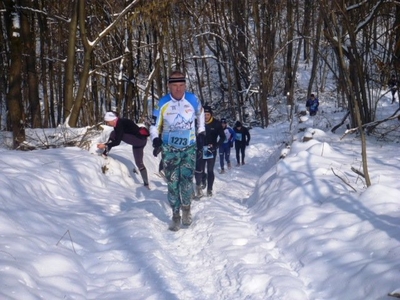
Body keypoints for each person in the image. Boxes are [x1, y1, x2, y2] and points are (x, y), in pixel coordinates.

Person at [150, 70, 205, 231]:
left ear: (185, 85)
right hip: (170, 149)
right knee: (173, 183)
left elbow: (200, 116)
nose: (178, 89)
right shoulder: (162, 103)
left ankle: (186, 208)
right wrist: (155, 139)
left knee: (187, 181)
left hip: (189, 148)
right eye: (175, 86)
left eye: (181, 85)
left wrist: (201, 133)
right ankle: (175, 215)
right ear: (169, 86)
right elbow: (154, 125)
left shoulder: (193, 99)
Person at [97, 111, 150, 188]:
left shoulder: (120, 124)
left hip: (139, 140)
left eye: (108, 122)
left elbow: (117, 141)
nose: (107, 124)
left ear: (112, 120)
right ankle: (146, 184)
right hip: (140, 141)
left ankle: (105, 152)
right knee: (139, 163)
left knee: (114, 134)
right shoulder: (120, 122)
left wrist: (105, 145)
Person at [194, 105, 225, 198]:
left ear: (211, 115)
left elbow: (223, 137)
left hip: (210, 149)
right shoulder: (197, 123)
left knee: (210, 170)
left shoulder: (216, 124)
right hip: (200, 148)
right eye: (204, 114)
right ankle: (201, 182)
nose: (206, 116)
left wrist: (216, 146)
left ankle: (209, 189)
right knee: (200, 169)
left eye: (208, 114)